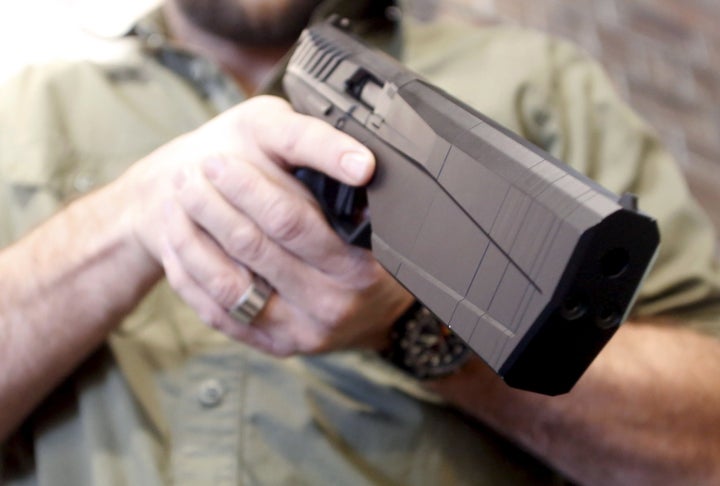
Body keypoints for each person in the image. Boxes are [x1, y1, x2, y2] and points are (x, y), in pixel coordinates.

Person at [1, 0, 719, 484]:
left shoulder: (535, 82)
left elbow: (704, 440)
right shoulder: (25, 107)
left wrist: (414, 326)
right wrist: (132, 214)